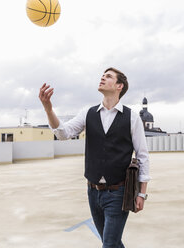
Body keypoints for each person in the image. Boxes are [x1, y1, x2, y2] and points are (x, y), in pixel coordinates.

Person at [39, 67, 150, 248]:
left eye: (108, 76)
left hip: (119, 192)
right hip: (93, 192)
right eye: (102, 76)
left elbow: (142, 155)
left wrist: (142, 193)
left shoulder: (132, 117)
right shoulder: (88, 113)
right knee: (112, 243)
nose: (102, 78)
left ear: (119, 86)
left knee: (109, 244)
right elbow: (63, 133)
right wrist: (48, 109)